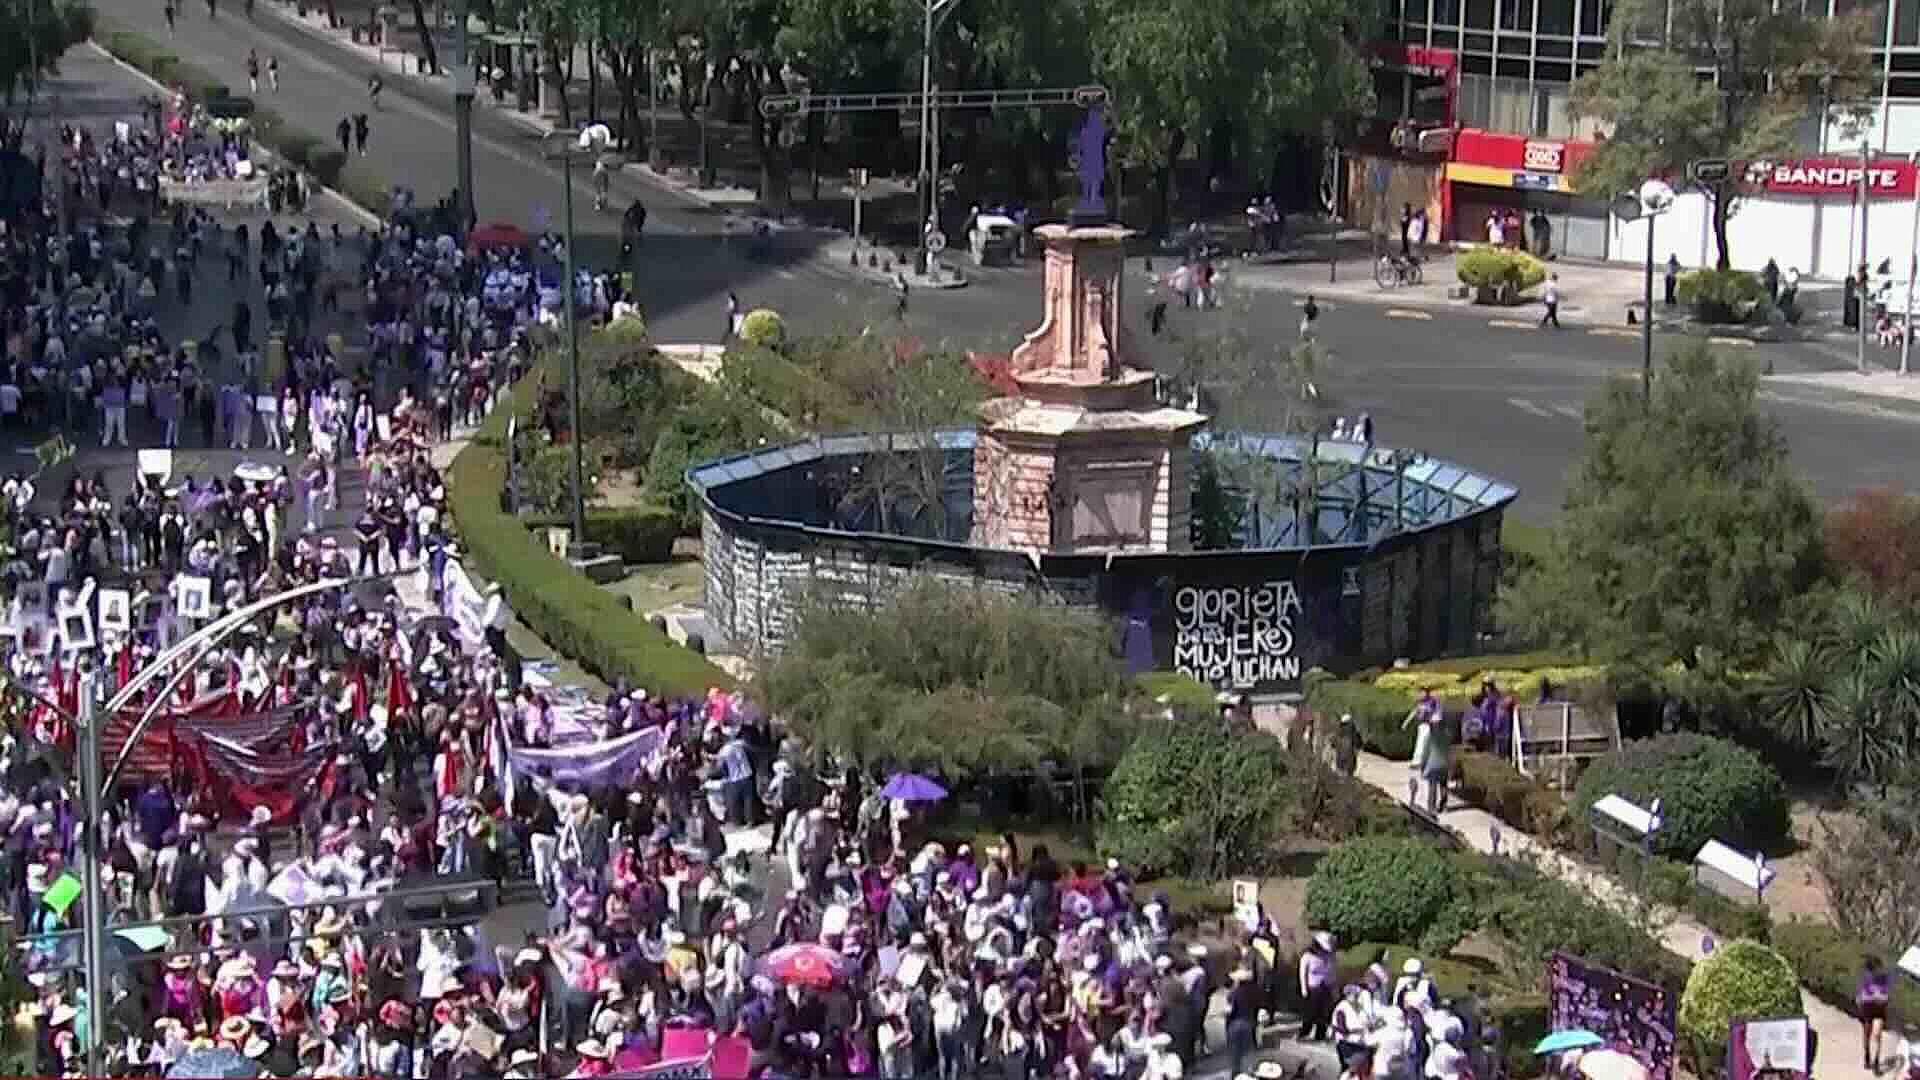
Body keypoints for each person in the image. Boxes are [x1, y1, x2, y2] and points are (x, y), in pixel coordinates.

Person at [1859, 955, 1891, 1072]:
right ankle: (1867, 1055)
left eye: (1879, 967)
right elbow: (1862, 996)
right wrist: (1873, 997)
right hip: (1868, 1010)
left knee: (1877, 1035)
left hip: (1880, 1011)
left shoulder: (1885, 978)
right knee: (1867, 1035)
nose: (1879, 970)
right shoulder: (1866, 978)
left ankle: (1876, 1060)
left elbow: (1887, 995)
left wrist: (1882, 998)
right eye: (1876, 968)